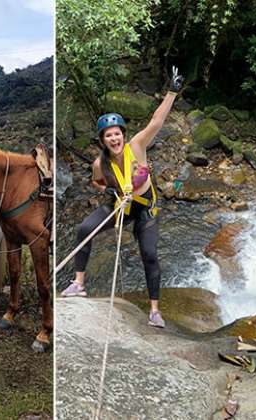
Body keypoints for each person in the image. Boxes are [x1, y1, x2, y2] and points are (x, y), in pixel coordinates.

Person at [60, 67, 184, 328]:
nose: (114, 138)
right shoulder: (99, 163)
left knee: (149, 254)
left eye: (117, 133)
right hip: (120, 205)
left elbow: (156, 122)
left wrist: (172, 92)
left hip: (146, 208)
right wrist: (106, 190)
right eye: (108, 135)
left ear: (123, 135)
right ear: (103, 140)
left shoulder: (137, 146)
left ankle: (154, 311)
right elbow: (96, 181)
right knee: (84, 229)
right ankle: (79, 283)